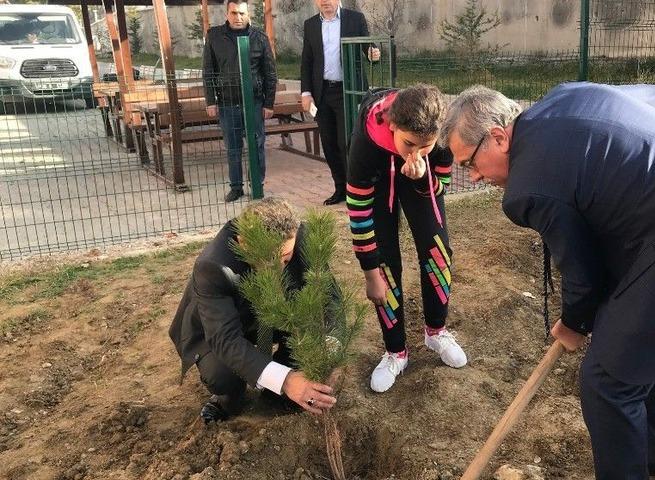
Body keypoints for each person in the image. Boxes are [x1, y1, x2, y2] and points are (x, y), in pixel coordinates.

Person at [439, 83, 655, 479]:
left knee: (607, 383)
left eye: (469, 163)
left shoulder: (527, 188)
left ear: (499, 138)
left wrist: (574, 323)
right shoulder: (564, 97)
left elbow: (582, 271)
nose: (472, 177)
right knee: (647, 355)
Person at [169, 197, 337, 423]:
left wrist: (330, 351)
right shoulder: (213, 266)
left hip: (283, 316)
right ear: (243, 242)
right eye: (268, 260)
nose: (278, 271)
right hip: (228, 323)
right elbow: (226, 340)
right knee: (222, 374)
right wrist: (287, 380)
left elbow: (330, 300)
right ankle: (229, 397)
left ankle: (275, 395)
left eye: (286, 259)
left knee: (308, 345)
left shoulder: (303, 239)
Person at [347, 84, 467, 393]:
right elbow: (359, 211)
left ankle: (436, 331)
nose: (416, 153)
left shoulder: (440, 136)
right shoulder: (366, 143)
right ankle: (395, 352)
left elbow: (441, 184)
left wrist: (422, 176)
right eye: (409, 143)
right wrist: (370, 272)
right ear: (392, 126)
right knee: (386, 264)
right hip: (379, 178)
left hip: (420, 180)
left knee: (438, 251)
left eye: (424, 146)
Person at [301, 0, 380, 205]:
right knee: (328, 143)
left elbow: (368, 49)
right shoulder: (310, 25)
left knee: (347, 141)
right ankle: (340, 188)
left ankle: (357, 187)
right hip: (322, 93)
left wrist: (374, 54)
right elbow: (307, 61)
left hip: (348, 91)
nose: (325, 1)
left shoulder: (355, 19)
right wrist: (306, 93)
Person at [203, 0, 277, 203]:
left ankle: (257, 185)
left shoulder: (259, 37)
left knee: (257, 144)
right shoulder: (215, 36)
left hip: (254, 101)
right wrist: (211, 101)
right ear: (227, 13)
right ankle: (236, 187)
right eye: (234, 13)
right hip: (227, 102)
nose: (238, 17)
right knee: (233, 147)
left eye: (242, 13)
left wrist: (269, 103)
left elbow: (270, 73)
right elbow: (208, 71)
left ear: (248, 14)